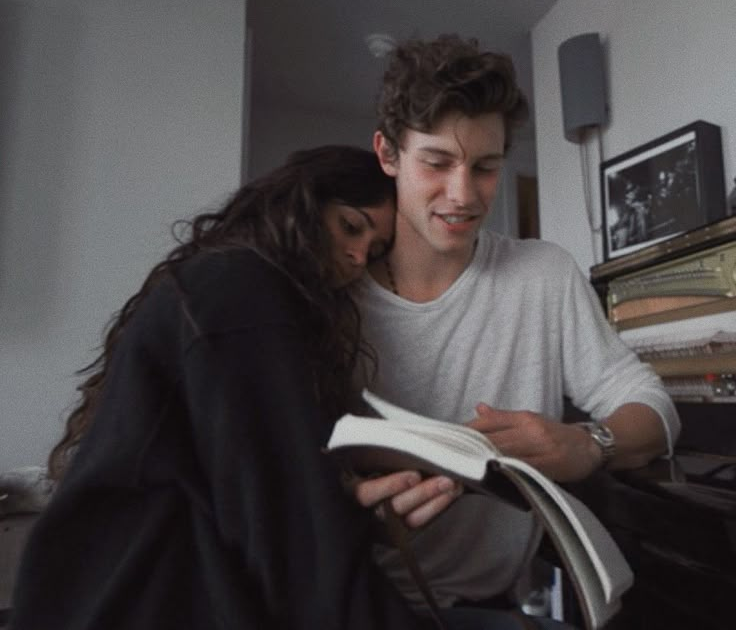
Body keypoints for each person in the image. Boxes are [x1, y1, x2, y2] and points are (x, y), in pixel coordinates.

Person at [8, 145, 441, 630]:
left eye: (376, 249)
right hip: (134, 593)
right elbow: (282, 526)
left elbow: (247, 484)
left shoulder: (230, 283)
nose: (359, 256)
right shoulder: (242, 291)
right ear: (301, 204)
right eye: (351, 226)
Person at [351, 36, 681, 620]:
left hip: (494, 606)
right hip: (352, 598)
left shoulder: (543, 274)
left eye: (485, 167)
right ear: (388, 154)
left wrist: (589, 443)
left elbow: (650, 404)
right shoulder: (336, 292)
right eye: (436, 163)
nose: (462, 194)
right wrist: (344, 502)